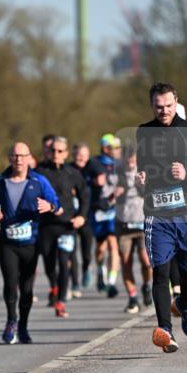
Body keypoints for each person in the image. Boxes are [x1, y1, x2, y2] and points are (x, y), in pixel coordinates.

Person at [136, 82, 187, 352]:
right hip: (157, 215)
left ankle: (185, 305)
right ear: (152, 105)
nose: (164, 111)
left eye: (169, 106)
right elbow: (143, 167)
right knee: (159, 272)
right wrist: (141, 178)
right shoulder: (144, 132)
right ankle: (165, 331)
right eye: (159, 107)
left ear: (176, 102)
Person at [0, 141, 60, 344]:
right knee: (10, 284)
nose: (18, 159)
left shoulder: (39, 181)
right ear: (9, 158)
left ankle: (24, 326)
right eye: (14, 155)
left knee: (26, 288)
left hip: (31, 243)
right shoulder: (0, 182)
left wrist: (49, 206)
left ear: (29, 158)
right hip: (8, 243)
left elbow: (57, 204)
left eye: (22, 155)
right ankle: (11, 320)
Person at [35, 136, 88, 318]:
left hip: (67, 225)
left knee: (64, 262)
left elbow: (85, 195)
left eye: (60, 151)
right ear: (48, 152)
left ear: (65, 154)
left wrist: (81, 216)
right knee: (50, 265)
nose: (56, 154)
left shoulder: (73, 173)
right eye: (52, 151)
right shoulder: (39, 172)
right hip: (46, 225)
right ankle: (53, 286)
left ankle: (61, 301)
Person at [114, 147, 152, 313]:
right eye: (128, 160)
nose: (131, 163)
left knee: (146, 260)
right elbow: (104, 196)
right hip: (124, 225)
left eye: (133, 160)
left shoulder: (146, 174)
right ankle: (132, 297)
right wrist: (114, 193)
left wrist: (141, 186)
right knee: (126, 261)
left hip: (143, 224)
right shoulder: (116, 176)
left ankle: (146, 286)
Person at [89, 134, 122, 298]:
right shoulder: (94, 163)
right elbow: (84, 183)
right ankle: (101, 271)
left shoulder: (120, 165)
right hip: (98, 210)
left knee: (113, 244)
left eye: (118, 147)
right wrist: (94, 183)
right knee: (100, 247)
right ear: (105, 148)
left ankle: (112, 282)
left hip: (114, 211)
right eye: (114, 147)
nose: (117, 151)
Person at [70, 142, 93, 294]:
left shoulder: (93, 169)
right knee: (71, 251)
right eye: (78, 155)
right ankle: (75, 283)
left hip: (87, 215)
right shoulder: (68, 169)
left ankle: (86, 267)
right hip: (70, 216)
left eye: (84, 155)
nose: (81, 158)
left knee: (86, 251)